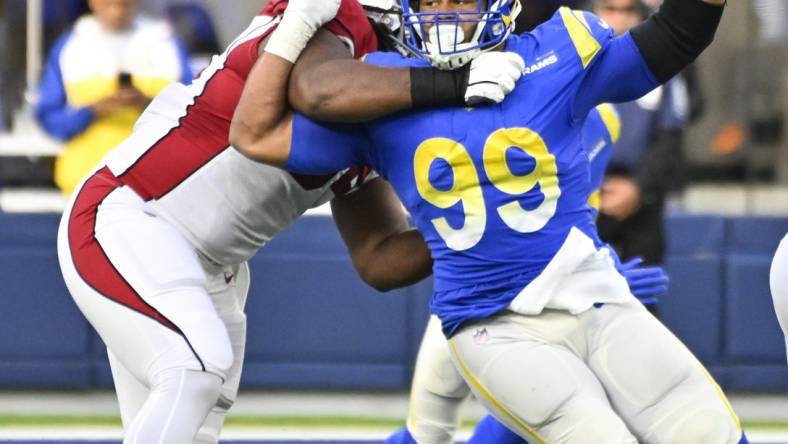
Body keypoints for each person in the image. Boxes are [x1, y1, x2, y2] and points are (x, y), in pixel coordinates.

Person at [234, 0, 748, 441]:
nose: (444, 12)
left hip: (593, 293)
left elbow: (675, 35)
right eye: (429, 1)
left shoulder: (552, 55)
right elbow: (254, 132)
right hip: (491, 323)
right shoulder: (382, 88)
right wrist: (298, 23)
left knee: (706, 430)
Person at [56, 0, 522, 442]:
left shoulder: (387, 102)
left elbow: (378, 256)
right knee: (194, 370)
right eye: (431, 2)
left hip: (214, 268)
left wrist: (474, 225)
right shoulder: (335, 17)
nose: (448, 15)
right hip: (129, 216)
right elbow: (315, 90)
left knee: (193, 419)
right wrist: (452, 85)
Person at [385, 103, 670, 444]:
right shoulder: (480, 112)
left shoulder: (602, 121)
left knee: (546, 413)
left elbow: (578, 217)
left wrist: (601, 272)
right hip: (474, 303)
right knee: (429, 432)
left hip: (543, 305)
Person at [35, 0, 193, 196]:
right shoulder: (70, 46)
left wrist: (147, 104)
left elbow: (193, 112)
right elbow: (49, 117)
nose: (117, 7)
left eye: (124, 2)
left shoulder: (165, 43)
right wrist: (92, 111)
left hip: (158, 184)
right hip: (87, 183)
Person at [593, 0, 690, 276]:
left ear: (641, 16)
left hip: (643, 203)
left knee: (643, 301)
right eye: (610, 9)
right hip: (586, 203)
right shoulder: (574, 68)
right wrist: (590, 188)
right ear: (595, 12)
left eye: (627, 11)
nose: (618, 19)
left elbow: (671, 139)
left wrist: (638, 188)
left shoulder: (663, 70)